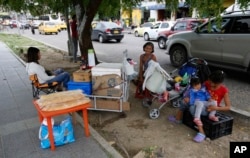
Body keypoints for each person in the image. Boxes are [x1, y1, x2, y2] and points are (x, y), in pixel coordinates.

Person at [168, 70, 231, 143]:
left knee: (192, 109)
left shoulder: (224, 90)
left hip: (209, 109)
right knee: (184, 101)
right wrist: (189, 97)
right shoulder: (207, 83)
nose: (210, 84)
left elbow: (228, 107)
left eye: (213, 83)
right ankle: (178, 119)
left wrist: (216, 108)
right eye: (209, 81)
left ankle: (201, 132)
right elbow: (196, 89)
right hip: (199, 102)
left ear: (219, 83)